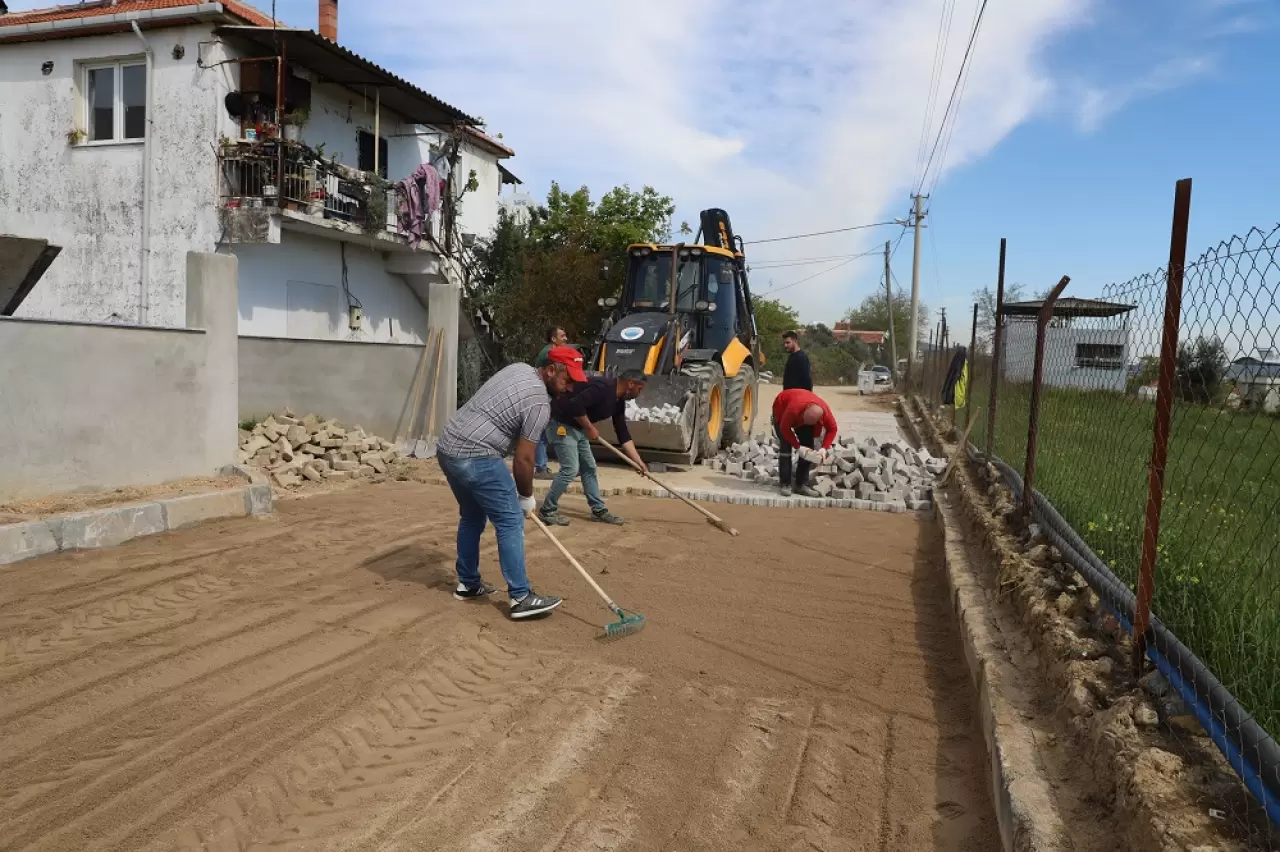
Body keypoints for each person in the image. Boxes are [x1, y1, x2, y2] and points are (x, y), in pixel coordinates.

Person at [435, 360, 570, 619]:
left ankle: (468, 584)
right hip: (477, 454)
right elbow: (524, 459)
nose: (569, 387)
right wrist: (527, 496)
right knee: (509, 521)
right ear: (551, 370)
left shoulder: (519, 368)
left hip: (448, 447)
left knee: (472, 516)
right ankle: (521, 597)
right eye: (567, 379)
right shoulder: (540, 402)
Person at [538, 355, 649, 527]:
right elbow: (575, 405)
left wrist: (638, 462)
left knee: (589, 467)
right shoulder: (603, 388)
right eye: (640, 389)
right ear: (631, 384)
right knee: (570, 468)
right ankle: (547, 510)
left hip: (577, 427)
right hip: (560, 423)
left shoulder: (618, 402)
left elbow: (623, 433)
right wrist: (589, 427)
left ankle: (598, 510)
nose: (639, 394)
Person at [772, 387, 838, 498]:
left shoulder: (825, 412)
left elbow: (833, 429)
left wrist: (824, 448)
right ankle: (785, 483)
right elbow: (784, 428)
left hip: (802, 411)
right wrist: (797, 447)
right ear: (803, 413)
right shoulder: (793, 409)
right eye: (804, 421)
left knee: (808, 447)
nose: (803, 424)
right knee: (785, 446)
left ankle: (801, 484)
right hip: (782, 407)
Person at [532, 326, 569, 479]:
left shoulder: (551, 351)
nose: (566, 339)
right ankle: (541, 468)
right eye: (562, 336)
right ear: (553, 339)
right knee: (543, 432)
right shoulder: (550, 353)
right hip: (544, 396)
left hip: (547, 396)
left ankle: (567, 466)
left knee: (548, 432)